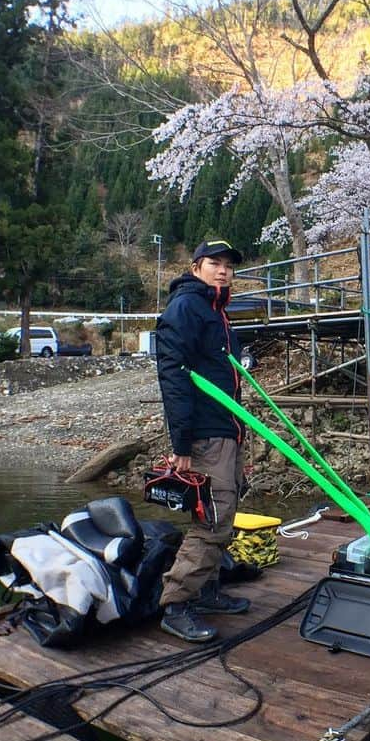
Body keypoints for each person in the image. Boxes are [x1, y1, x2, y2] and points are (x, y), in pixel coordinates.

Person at [155, 239, 250, 643]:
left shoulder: (217, 310)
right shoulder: (187, 308)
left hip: (226, 428)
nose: (223, 270)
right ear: (195, 267)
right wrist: (181, 445)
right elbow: (173, 377)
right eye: (214, 263)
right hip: (205, 434)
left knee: (224, 514)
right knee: (212, 519)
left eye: (228, 264)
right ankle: (174, 604)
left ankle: (208, 590)